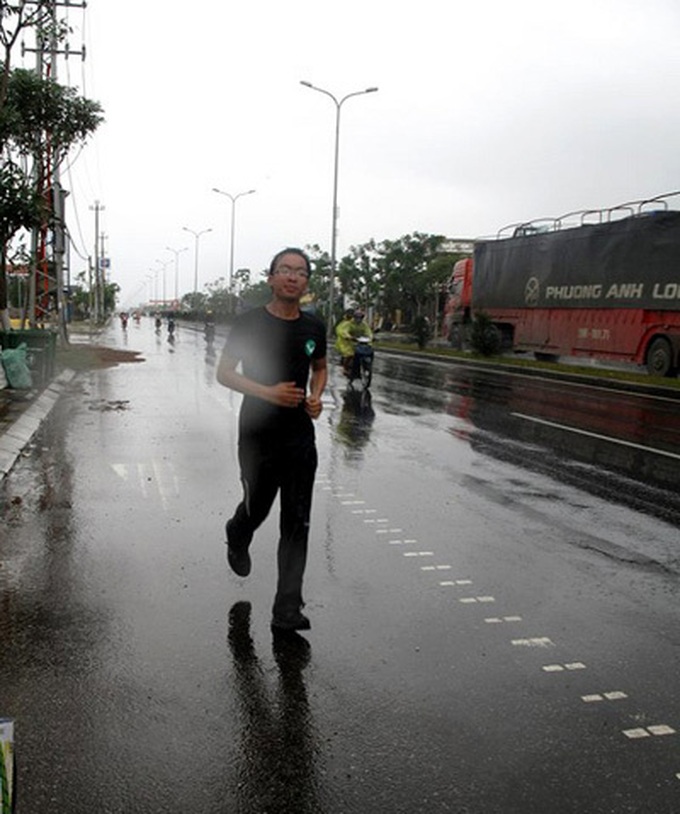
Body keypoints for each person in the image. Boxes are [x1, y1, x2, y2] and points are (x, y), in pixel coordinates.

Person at [216, 248, 328, 633]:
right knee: (258, 506)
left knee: (297, 521)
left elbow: (320, 367)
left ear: (307, 281)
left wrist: (316, 396)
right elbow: (224, 373)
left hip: (299, 435)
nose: (293, 277)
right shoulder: (249, 323)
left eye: (300, 272)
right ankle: (238, 531)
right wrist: (268, 392)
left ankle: (287, 608)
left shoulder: (314, 327)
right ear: (271, 278)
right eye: (285, 270)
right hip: (258, 433)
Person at [334, 309, 355, 375]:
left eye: (351, 314)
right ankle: (344, 368)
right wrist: (346, 336)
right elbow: (339, 330)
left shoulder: (355, 321)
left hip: (353, 341)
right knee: (348, 354)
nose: (350, 315)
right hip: (343, 341)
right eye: (349, 313)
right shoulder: (342, 321)